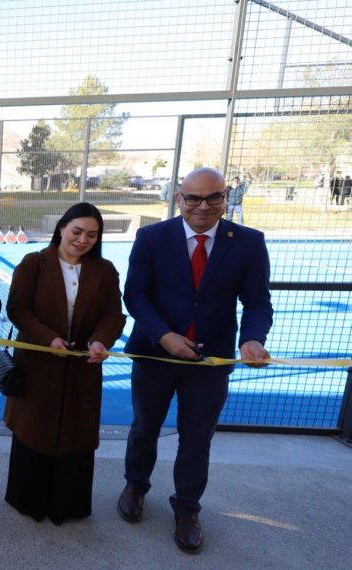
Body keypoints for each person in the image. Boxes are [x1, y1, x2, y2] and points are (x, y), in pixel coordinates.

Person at [118, 167, 272, 554]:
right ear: (179, 199)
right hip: (155, 354)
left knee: (197, 440)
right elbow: (136, 294)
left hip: (211, 361)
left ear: (226, 198)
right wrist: (164, 335)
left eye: (213, 197)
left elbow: (256, 302)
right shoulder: (152, 237)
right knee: (144, 428)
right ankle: (136, 485)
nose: (203, 206)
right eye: (194, 198)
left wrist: (252, 339)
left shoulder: (249, 242)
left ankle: (187, 509)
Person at [3, 202, 126, 525]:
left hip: (82, 370)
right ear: (61, 228)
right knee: (35, 429)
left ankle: (67, 505)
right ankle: (29, 500)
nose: (83, 239)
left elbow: (114, 315)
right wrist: (48, 340)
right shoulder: (34, 264)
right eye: (77, 231)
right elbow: (19, 310)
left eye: (91, 235)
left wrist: (101, 341)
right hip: (38, 366)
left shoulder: (105, 271)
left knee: (75, 432)